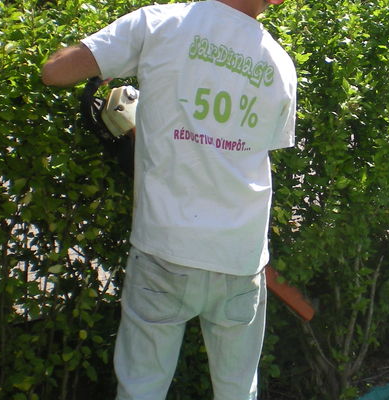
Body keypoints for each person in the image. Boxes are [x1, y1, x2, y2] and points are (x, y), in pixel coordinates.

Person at [41, 0, 296, 398]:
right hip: (241, 257)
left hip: (166, 249)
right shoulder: (280, 63)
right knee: (238, 389)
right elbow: (259, 146)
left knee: (142, 387)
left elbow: (55, 72)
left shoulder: (161, 23)